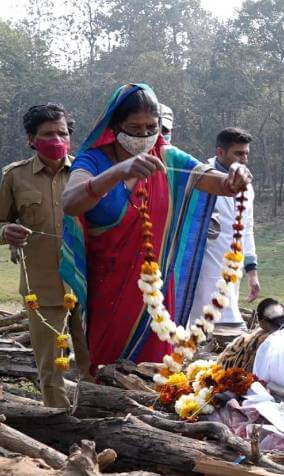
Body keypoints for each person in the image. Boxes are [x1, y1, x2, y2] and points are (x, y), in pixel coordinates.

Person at [59, 83, 250, 374]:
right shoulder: (94, 159)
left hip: (156, 290)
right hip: (107, 286)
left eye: (152, 126)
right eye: (135, 127)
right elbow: (71, 202)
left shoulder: (167, 157)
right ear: (114, 125)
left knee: (155, 369)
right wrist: (119, 171)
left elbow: (217, 182)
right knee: (105, 365)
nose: (145, 135)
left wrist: (235, 175)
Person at [0, 103, 93, 407]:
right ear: (31, 139)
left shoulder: (87, 174)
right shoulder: (14, 177)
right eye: (48, 134)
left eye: (62, 132)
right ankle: (60, 428)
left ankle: (97, 421)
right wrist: (5, 232)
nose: (56, 139)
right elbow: (1, 222)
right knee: (52, 368)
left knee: (95, 364)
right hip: (43, 290)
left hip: (88, 286)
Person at [188, 127, 260, 329]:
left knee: (227, 320)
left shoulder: (247, 186)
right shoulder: (199, 177)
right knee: (202, 324)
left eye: (246, 153)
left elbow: (247, 229)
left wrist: (252, 272)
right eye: (238, 153)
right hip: (201, 266)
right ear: (220, 153)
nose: (244, 159)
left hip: (232, 267)